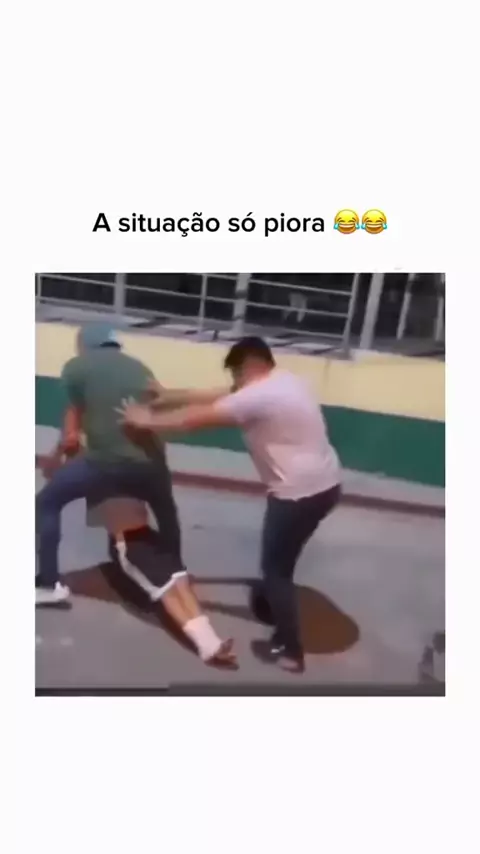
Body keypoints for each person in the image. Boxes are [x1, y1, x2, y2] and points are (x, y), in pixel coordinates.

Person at [121, 336, 341, 674]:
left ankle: (291, 649)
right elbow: (222, 394)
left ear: (246, 367)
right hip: (327, 486)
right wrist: (170, 395)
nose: (234, 382)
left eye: (235, 374)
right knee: (282, 560)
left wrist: (146, 420)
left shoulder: (258, 397)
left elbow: (193, 421)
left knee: (276, 571)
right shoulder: (285, 381)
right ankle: (271, 600)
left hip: (296, 496)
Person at [36, 322, 226, 607]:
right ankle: (177, 574)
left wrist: (58, 455)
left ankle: (49, 584)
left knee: (48, 502)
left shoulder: (76, 367)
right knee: (166, 513)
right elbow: (156, 404)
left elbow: (73, 419)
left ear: (83, 344)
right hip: (151, 463)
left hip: (105, 462)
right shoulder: (140, 367)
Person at [86, 495, 238, 668]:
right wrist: (122, 547)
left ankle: (213, 642)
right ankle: (207, 646)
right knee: (167, 591)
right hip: (128, 546)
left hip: (149, 539)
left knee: (181, 583)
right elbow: (105, 519)